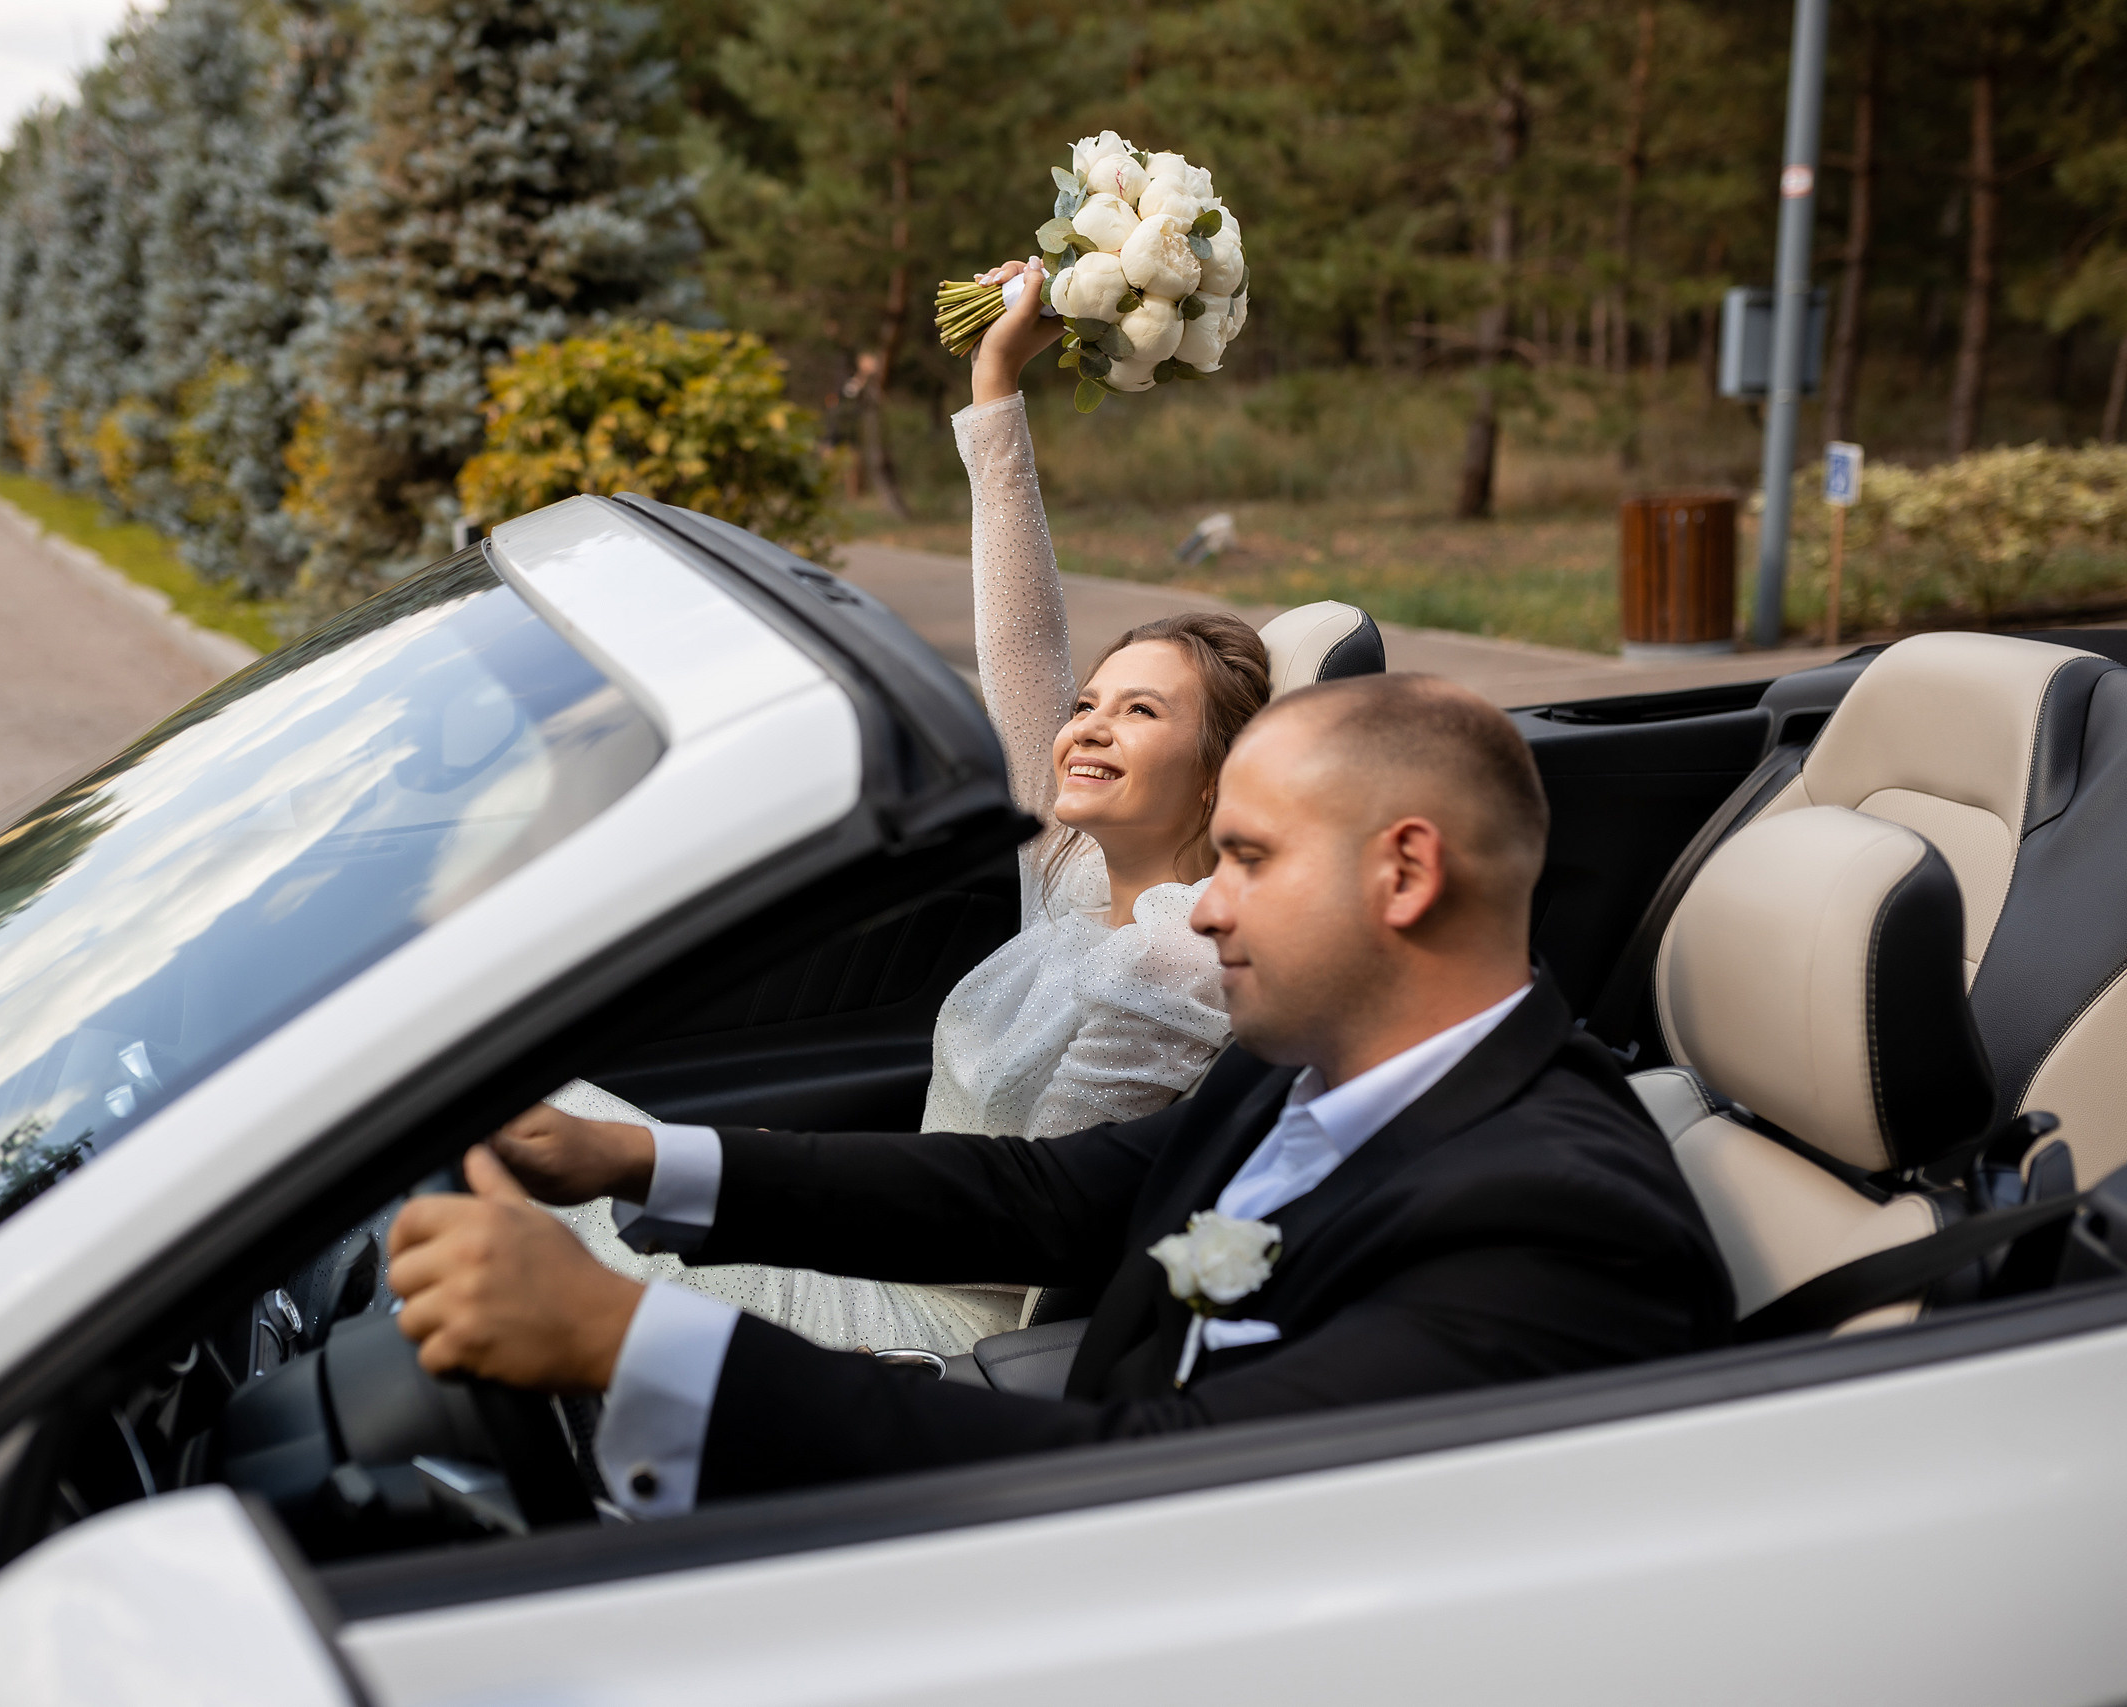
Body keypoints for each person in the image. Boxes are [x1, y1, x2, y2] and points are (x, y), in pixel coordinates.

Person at [383, 673, 1735, 1517]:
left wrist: (633, 1342)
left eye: (1249, 856)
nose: (1204, 904)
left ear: (1404, 871)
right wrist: (629, 1154)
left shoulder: (1548, 1217)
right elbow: (1045, 1190)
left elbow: (1167, 1486)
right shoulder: (1309, 1063)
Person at [538, 260, 1267, 1356]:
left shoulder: (1176, 957)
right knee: (512, 1117)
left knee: (512, 1178)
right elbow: (1020, 647)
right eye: (1087, 705)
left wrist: (787, 1192)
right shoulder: (1070, 878)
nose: (1087, 725)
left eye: (1143, 712)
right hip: (874, 1235)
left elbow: (1029, 1216)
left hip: (930, 1319)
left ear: (1216, 774)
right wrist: (994, 377)